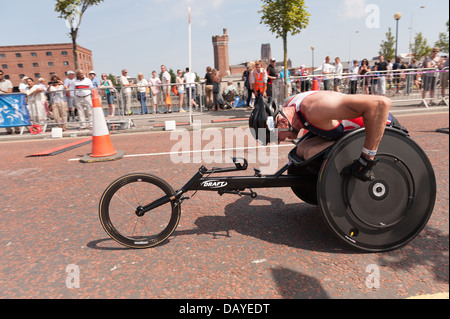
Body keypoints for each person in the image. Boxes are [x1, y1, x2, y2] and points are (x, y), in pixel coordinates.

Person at [250, 90, 394, 182]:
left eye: (275, 137)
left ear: (282, 121)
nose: (279, 142)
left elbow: (381, 103)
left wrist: (366, 159)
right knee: (302, 150)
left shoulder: (315, 109)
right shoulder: (290, 103)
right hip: (349, 132)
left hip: (379, 126)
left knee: (311, 152)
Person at [0, 69, 17, 134]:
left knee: (12, 114)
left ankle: (17, 129)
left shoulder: (8, 82)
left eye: (0, 74)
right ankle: (8, 130)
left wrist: (1, 90)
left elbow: (10, 91)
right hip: (0, 102)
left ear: (3, 75)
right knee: (3, 115)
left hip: (8, 101)